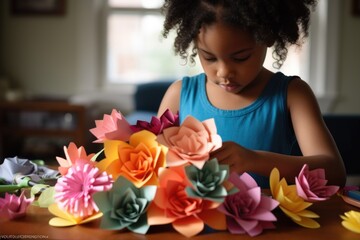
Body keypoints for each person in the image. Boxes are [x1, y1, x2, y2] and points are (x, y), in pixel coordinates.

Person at [157, 0, 346, 188]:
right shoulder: (179, 95)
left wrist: (254, 160)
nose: (223, 72)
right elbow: (154, 167)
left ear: (268, 36)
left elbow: (334, 173)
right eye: (209, 57)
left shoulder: (293, 95)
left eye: (240, 58)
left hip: (276, 218)